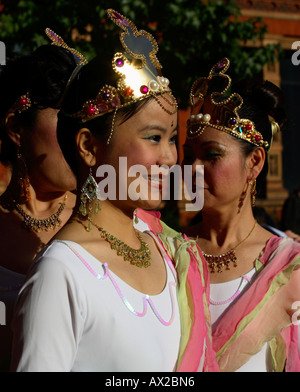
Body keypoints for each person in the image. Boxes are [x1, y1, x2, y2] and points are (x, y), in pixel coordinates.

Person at [10, 9, 217, 372]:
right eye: (153, 138)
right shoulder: (62, 273)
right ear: (89, 147)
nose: (169, 158)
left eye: (172, 140)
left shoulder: (166, 251)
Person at [181, 58, 300, 371]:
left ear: (255, 162)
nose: (192, 169)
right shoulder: (165, 252)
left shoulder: (290, 269)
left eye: (212, 155)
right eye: (189, 155)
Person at [0, 30, 87, 370]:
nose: (78, 137)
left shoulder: (114, 221)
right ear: (15, 128)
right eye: (66, 120)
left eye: (84, 122)